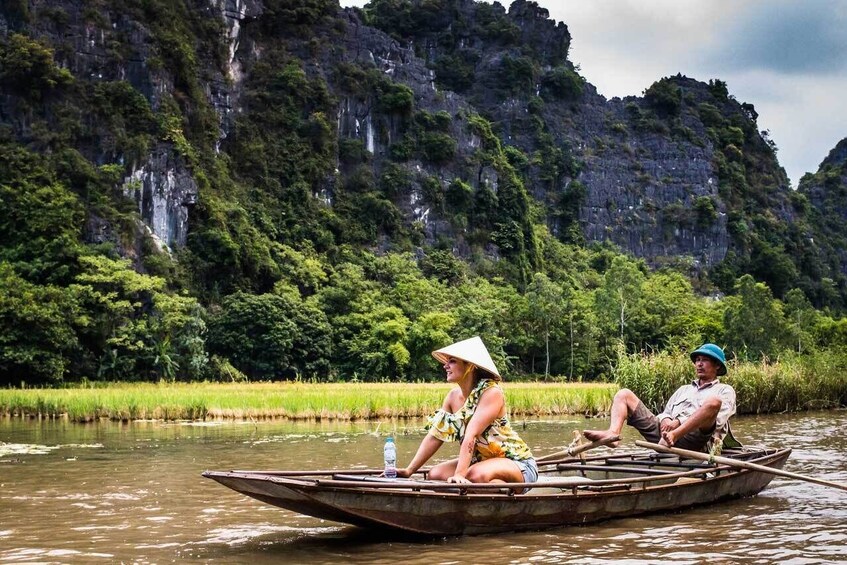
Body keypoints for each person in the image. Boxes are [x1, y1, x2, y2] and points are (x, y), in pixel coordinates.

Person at [395, 336, 538, 489]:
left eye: (452, 361)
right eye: (446, 361)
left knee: (474, 476)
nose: (445, 366)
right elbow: (435, 436)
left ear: (469, 366)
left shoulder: (491, 392)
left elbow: (471, 435)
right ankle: (489, 491)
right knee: (435, 475)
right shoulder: (452, 397)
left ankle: (506, 494)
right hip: (481, 462)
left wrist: (459, 475)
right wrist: (409, 470)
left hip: (517, 463)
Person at [583, 343, 736, 452]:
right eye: (697, 360)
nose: (699, 364)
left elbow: (717, 421)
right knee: (624, 394)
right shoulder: (684, 389)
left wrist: (677, 424)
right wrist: (666, 420)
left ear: (717, 365)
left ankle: (673, 437)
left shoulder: (724, 390)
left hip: (696, 441)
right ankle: (613, 433)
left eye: (705, 360)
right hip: (664, 436)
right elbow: (666, 412)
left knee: (713, 401)